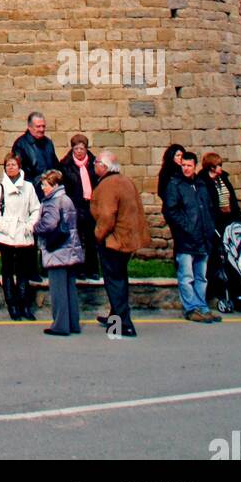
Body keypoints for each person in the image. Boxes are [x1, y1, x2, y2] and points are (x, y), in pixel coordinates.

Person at [90, 149, 151, 338]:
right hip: (126, 240)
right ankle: (114, 317)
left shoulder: (108, 185)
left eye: (96, 163)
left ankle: (123, 324)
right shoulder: (126, 182)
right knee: (120, 279)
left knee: (114, 281)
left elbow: (107, 216)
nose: (94, 166)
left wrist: (98, 235)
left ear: (104, 166)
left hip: (113, 241)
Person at [162, 150, 221, 323]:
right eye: (183, 165)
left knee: (201, 276)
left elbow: (209, 208)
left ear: (195, 166)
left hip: (203, 237)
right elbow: (170, 211)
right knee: (186, 276)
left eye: (189, 165)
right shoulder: (175, 184)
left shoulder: (201, 184)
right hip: (186, 238)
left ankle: (202, 306)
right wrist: (186, 227)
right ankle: (191, 308)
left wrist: (209, 228)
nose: (186, 169)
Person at [33, 169, 85, 336]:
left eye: (45, 185)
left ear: (54, 185)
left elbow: (48, 224)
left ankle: (60, 325)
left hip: (56, 250)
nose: (42, 188)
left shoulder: (52, 202)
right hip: (70, 249)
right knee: (70, 288)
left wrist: (34, 227)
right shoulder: (66, 199)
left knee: (58, 290)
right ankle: (72, 323)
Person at [0, 153, 40, 320]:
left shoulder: (29, 187)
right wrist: (7, 228)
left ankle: (25, 304)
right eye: (8, 165)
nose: (10, 167)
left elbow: (36, 209)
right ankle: (12, 305)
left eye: (13, 164)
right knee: (8, 270)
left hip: (24, 234)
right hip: (7, 236)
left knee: (24, 271)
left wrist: (29, 226)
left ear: (19, 167)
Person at [198, 152, 241, 311]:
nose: (220, 168)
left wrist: (237, 219)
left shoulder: (223, 178)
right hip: (215, 223)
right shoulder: (203, 182)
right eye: (218, 165)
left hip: (228, 220)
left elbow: (231, 198)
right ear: (211, 166)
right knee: (216, 258)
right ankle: (214, 291)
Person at [60, 133, 99, 278]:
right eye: (76, 149)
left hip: (90, 204)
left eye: (82, 149)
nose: (79, 152)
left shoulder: (94, 163)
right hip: (75, 204)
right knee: (77, 238)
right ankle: (79, 269)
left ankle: (93, 269)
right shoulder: (65, 165)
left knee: (91, 238)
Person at [11, 113, 59, 200]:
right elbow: (19, 173)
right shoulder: (20, 145)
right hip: (32, 193)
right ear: (29, 127)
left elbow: (55, 165)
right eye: (38, 126)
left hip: (51, 192)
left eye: (43, 126)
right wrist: (38, 183)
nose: (42, 129)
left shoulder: (48, 143)